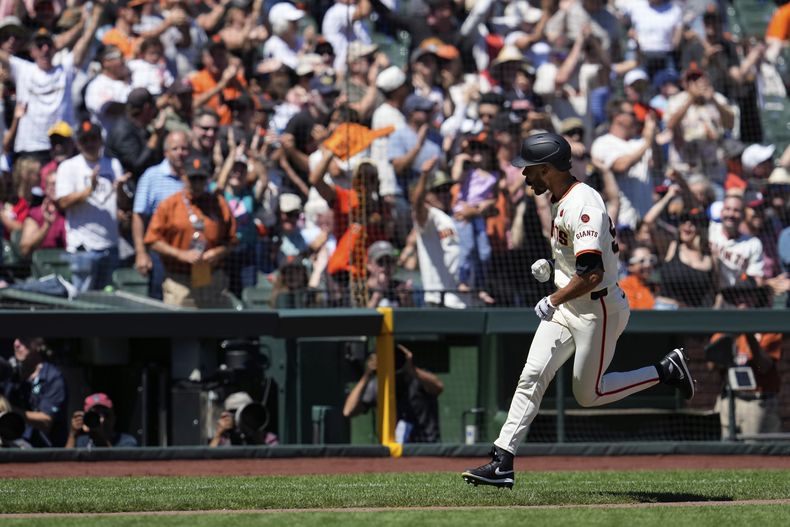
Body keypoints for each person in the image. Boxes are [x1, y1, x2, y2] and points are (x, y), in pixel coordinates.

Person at [461, 133, 695, 489]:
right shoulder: (561, 198)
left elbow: (593, 274)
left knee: (589, 394)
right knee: (532, 375)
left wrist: (554, 297)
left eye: (529, 170)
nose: (524, 176)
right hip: (571, 301)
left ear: (547, 169)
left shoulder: (583, 203)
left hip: (597, 308)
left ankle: (665, 370)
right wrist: (554, 270)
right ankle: (502, 461)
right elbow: (580, 263)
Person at [144, 154, 237, 308]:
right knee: (182, 329)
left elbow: (232, 240)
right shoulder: (169, 205)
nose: (197, 184)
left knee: (212, 329)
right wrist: (180, 254)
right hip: (179, 280)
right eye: (192, 179)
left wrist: (218, 252)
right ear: (183, 177)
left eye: (201, 179)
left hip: (211, 279)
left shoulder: (218, 204)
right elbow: (152, 241)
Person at [55, 121, 124, 292]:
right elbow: (63, 202)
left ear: (101, 140)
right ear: (77, 143)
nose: (89, 144)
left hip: (110, 245)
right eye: (84, 140)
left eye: (93, 139)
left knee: (108, 303)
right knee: (82, 301)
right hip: (83, 247)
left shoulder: (113, 164)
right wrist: (89, 191)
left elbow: (121, 203)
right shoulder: (68, 167)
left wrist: (121, 190)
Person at [708, 281, 782, 438]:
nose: (742, 299)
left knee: (754, 455)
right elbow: (711, 366)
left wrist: (748, 334)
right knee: (724, 453)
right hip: (729, 399)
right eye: (738, 295)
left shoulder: (768, 327)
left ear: (757, 297)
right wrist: (730, 336)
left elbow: (765, 366)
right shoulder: (725, 329)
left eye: (748, 294)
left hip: (758, 402)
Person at [343, 343, 443, 443]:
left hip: (425, 447)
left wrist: (410, 368)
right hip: (394, 450)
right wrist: (367, 374)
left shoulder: (418, 379)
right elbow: (348, 411)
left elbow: (438, 387)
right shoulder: (379, 385)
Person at [132, 130, 189, 298]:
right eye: (175, 148)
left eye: (184, 148)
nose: (180, 153)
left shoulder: (194, 177)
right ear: (166, 152)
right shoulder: (152, 176)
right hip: (161, 254)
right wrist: (141, 252)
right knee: (159, 303)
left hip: (189, 254)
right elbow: (139, 215)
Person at [0, 338, 67, 448]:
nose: (16, 344)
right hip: (12, 445)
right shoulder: (9, 372)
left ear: (38, 344)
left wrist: (8, 411)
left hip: (45, 452)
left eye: (23, 339)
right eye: (15, 339)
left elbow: (46, 422)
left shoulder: (53, 378)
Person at [65, 393, 138, 448]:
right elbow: (66, 465)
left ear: (114, 418)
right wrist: (73, 434)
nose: (102, 420)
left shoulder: (127, 441)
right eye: (95, 415)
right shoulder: (81, 442)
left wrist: (101, 436)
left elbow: (117, 465)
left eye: (106, 415)